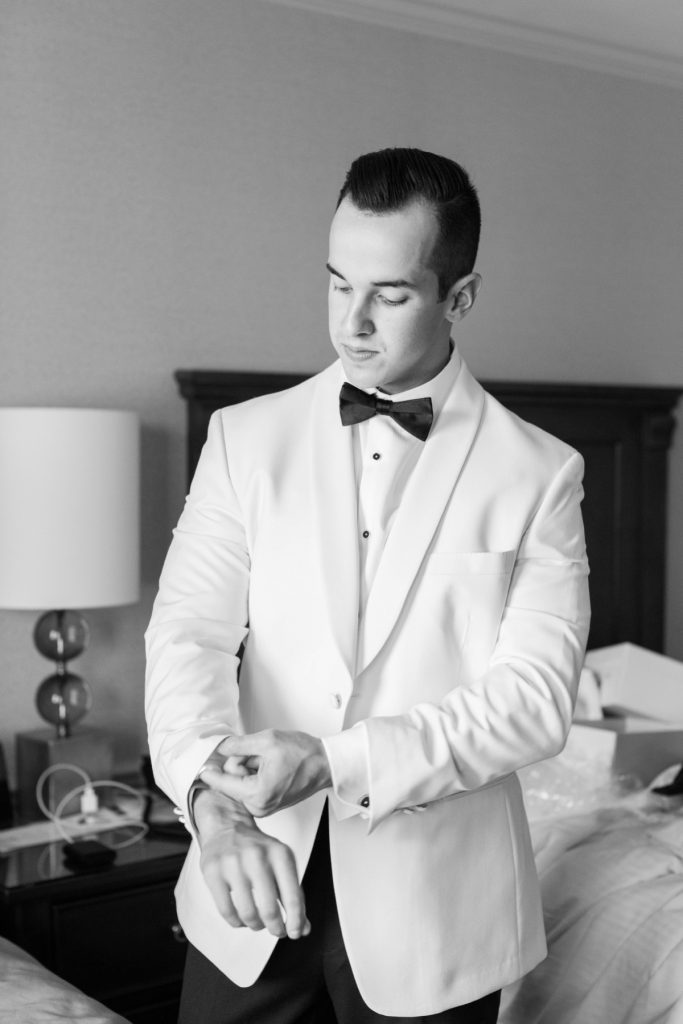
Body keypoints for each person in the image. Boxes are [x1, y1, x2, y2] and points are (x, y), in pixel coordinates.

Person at [145, 147, 590, 1024]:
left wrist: (334, 759)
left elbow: (535, 701)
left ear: (459, 297)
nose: (351, 323)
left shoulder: (540, 473)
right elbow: (188, 636)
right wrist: (211, 807)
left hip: (435, 920)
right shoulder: (242, 439)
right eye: (336, 283)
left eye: (388, 294)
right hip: (246, 887)